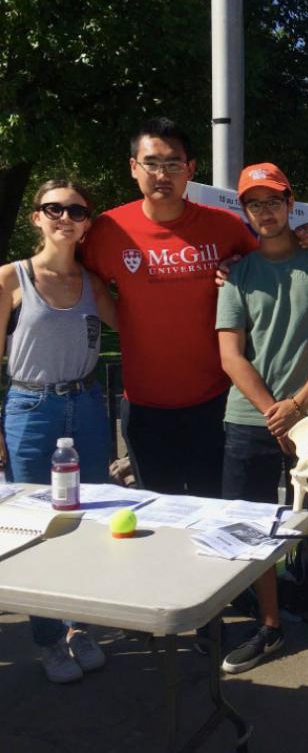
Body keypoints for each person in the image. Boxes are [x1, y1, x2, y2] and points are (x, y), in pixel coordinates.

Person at [215, 162, 308, 675]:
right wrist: (271, 410)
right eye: (254, 203)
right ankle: (269, 625)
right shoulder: (238, 273)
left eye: (272, 201)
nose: (264, 211)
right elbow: (231, 354)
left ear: (289, 203)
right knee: (255, 527)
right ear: (246, 211)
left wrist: (296, 404)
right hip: (249, 419)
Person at [82, 117, 258, 497]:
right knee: (159, 521)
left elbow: (269, 268)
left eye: (174, 164)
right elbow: (80, 281)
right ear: (134, 167)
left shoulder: (225, 227)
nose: (162, 174)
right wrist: (123, 321)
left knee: (212, 517)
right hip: (144, 407)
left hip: (214, 404)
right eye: (152, 163)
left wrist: (244, 265)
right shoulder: (108, 230)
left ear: (191, 169)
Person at [0, 179, 116, 684]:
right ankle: (47, 640)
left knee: (85, 517)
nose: (65, 217)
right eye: (54, 209)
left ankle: (77, 626)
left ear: (88, 221)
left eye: (77, 210)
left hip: (87, 406)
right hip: (31, 407)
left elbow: (140, 317)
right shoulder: (11, 278)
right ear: (36, 217)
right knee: (35, 526)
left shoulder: (93, 283)